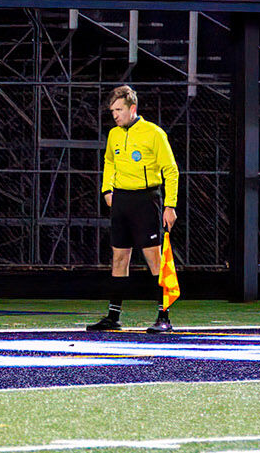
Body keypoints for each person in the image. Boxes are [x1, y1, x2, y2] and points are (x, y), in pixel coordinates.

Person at [91, 86, 181, 334]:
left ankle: (164, 317)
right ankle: (113, 317)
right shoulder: (114, 135)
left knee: (154, 258)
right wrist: (107, 188)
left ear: (133, 108)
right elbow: (109, 160)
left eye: (119, 110)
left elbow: (171, 171)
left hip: (146, 200)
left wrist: (169, 205)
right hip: (121, 200)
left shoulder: (154, 133)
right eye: (112, 111)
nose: (115, 115)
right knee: (119, 258)